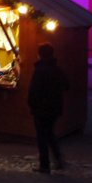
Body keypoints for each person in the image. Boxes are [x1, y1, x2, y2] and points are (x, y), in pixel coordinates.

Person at [27, 43, 69, 174]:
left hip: (40, 108)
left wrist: (32, 105)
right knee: (50, 133)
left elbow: (33, 91)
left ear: (39, 55)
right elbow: (67, 85)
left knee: (42, 137)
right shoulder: (57, 69)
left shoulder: (39, 70)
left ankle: (44, 165)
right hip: (54, 107)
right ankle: (58, 159)